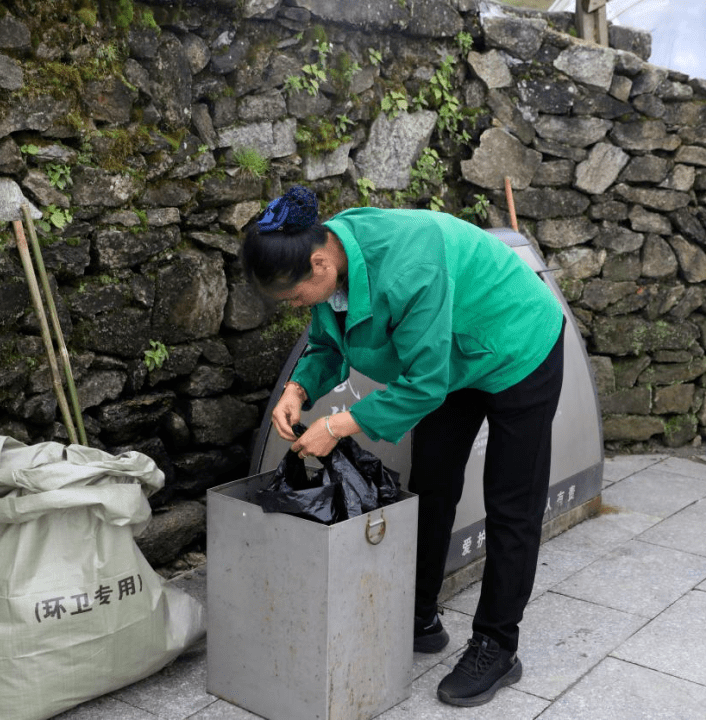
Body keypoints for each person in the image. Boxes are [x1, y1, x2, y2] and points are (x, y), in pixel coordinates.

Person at [241, 185, 565, 708]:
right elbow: (328, 343)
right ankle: (420, 616)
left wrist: (338, 425)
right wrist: (298, 389)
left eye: (295, 297)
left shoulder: (411, 264)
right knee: (432, 484)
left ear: (319, 263)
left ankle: (497, 645)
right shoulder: (332, 259)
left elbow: (425, 385)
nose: (295, 306)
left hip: (515, 347)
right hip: (452, 362)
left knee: (512, 503)